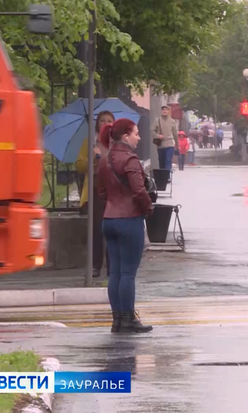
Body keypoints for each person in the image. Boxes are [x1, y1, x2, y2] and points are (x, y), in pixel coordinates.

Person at [97, 118, 154, 334]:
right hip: (129, 221)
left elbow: (102, 192)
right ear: (125, 136)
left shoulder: (104, 160)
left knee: (115, 273)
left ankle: (117, 320)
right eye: (136, 134)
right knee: (128, 273)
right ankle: (129, 319)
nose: (139, 138)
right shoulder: (130, 160)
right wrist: (148, 208)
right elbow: (139, 191)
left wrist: (114, 203)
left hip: (109, 221)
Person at [75, 111, 114, 278]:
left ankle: (112, 266)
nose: (106, 123)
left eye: (109, 120)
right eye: (102, 120)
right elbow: (79, 166)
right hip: (95, 188)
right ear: (97, 124)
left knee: (112, 228)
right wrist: (91, 158)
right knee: (97, 228)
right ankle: (95, 265)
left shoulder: (116, 142)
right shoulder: (90, 142)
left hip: (113, 189)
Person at [152, 105, 178, 170]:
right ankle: (163, 175)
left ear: (169, 111)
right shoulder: (157, 120)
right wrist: (158, 136)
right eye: (163, 110)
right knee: (161, 162)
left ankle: (167, 174)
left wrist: (177, 145)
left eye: (166, 110)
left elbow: (175, 134)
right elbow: (152, 130)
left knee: (168, 160)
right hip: (161, 145)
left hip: (170, 144)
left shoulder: (172, 121)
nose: (165, 111)